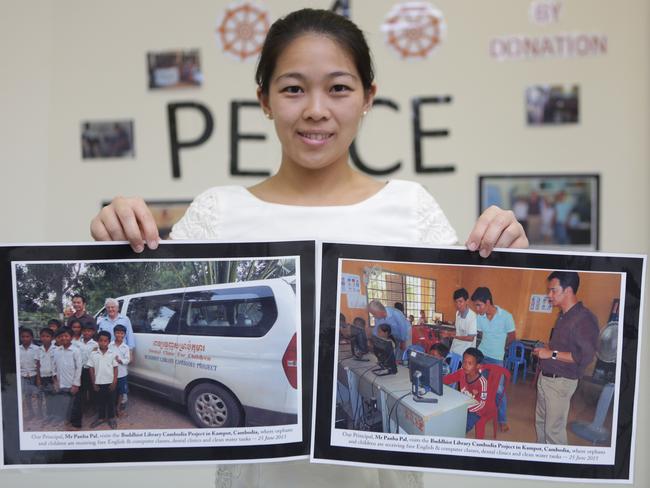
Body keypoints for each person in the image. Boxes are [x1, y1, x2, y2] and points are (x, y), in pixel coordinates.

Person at [90, 8, 527, 488]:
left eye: (338, 87)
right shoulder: (219, 211)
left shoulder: (410, 206)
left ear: (368, 98)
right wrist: (120, 235)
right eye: (293, 88)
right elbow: (157, 273)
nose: (316, 109)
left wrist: (504, 243)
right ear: (264, 99)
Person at [533, 271, 599, 445]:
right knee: (541, 423)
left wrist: (551, 354)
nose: (549, 295)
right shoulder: (564, 315)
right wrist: (547, 350)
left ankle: (556, 467)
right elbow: (562, 349)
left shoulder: (584, 318)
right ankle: (541, 460)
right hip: (546, 378)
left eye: (553, 290)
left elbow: (584, 357)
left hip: (560, 383)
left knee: (553, 431)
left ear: (568, 291)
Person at [471, 286, 516, 432]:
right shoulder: (480, 317)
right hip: (482, 357)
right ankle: (480, 412)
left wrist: (501, 349)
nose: (477, 309)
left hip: (497, 359)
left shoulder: (506, 316)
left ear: (488, 302)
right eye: (475, 305)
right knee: (480, 387)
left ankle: (502, 420)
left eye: (479, 305)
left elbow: (512, 337)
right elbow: (478, 335)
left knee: (499, 390)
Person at [443, 347, 488, 434]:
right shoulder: (462, 372)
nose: (465, 365)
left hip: (476, 410)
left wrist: (464, 408)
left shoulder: (482, 382)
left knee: (462, 428)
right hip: (464, 404)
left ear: (478, 366)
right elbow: (447, 379)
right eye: (464, 362)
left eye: (470, 363)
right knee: (447, 418)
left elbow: (482, 404)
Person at [51, 327, 83, 428]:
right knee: (65, 403)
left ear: (71, 337)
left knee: (75, 405)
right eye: (61, 336)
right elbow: (54, 366)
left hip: (72, 383)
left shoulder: (75, 351)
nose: (63, 338)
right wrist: (55, 381)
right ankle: (67, 419)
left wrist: (75, 384)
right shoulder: (56, 350)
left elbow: (79, 368)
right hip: (61, 382)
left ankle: (76, 423)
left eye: (66, 336)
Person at [88, 331, 119, 429]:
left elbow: (115, 368)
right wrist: (94, 383)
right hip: (98, 382)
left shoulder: (112, 353)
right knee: (100, 401)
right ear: (97, 341)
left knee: (111, 401)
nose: (103, 343)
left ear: (109, 342)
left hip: (110, 382)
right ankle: (101, 418)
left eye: (105, 341)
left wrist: (114, 382)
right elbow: (91, 369)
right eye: (100, 340)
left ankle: (111, 418)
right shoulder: (93, 354)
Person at [35, 327, 57, 424]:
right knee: (47, 397)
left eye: (47, 336)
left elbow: (57, 364)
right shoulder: (39, 349)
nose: (45, 338)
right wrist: (38, 379)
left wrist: (56, 379)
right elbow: (38, 365)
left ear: (52, 338)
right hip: (43, 377)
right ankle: (49, 415)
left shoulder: (55, 349)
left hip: (53, 377)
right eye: (43, 336)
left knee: (55, 396)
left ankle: (56, 415)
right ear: (40, 337)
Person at [19, 327, 40, 420]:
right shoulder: (18, 349)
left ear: (31, 337)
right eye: (23, 337)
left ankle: (40, 413)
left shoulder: (37, 349)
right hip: (23, 375)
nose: (25, 339)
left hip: (34, 375)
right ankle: (31, 413)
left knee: (39, 394)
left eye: (27, 336)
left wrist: (38, 377)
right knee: (27, 395)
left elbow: (39, 364)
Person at [449, 288, 477, 356]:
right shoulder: (457, 313)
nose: (458, 304)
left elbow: (470, 338)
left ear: (467, 301)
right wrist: (448, 333)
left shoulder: (472, 316)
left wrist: (453, 336)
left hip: (465, 353)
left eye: (460, 301)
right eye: (456, 302)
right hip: (455, 348)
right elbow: (459, 331)